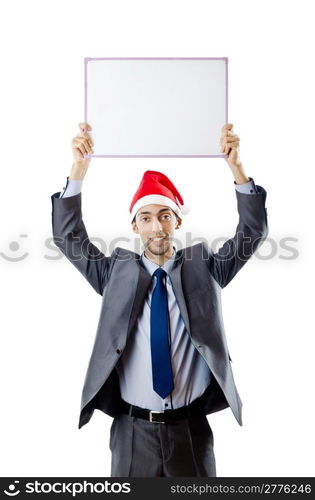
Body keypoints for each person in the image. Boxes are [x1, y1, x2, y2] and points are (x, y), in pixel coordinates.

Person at [51, 122, 268, 477]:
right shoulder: (113, 273)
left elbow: (252, 231)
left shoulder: (206, 268)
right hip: (132, 433)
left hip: (191, 431)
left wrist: (237, 168)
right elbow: (67, 236)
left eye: (165, 216)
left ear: (177, 221)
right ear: (134, 226)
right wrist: (78, 172)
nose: (157, 227)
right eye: (147, 218)